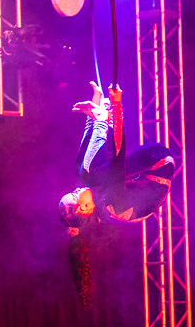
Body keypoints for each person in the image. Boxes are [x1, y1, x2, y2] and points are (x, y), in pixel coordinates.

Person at [59, 81, 177, 236]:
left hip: (145, 168)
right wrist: (116, 105)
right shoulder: (112, 207)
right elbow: (118, 157)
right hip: (158, 162)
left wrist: (95, 106)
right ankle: (100, 120)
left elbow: (91, 160)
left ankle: (95, 117)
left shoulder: (101, 200)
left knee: (83, 173)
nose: (78, 189)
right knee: (87, 175)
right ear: (84, 207)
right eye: (75, 194)